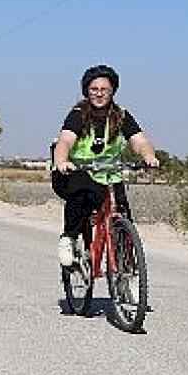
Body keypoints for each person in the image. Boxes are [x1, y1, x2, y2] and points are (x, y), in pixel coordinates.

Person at [51, 65, 160, 268]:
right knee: (81, 192)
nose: (99, 94)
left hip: (109, 174)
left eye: (104, 90)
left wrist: (149, 156)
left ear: (112, 91)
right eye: (94, 89)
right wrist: (62, 162)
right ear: (87, 91)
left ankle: (127, 271)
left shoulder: (121, 116)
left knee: (123, 214)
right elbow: (65, 141)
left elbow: (140, 141)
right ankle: (69, 238)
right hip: (76, 172)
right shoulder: (78, 114)